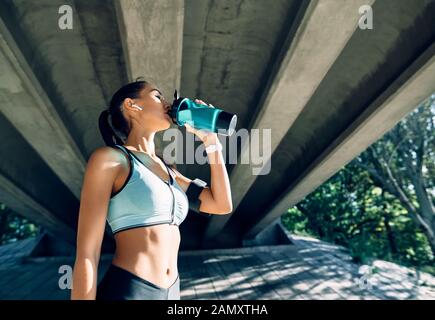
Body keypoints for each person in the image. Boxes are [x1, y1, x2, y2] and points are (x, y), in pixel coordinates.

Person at [71, 78, 233, 300]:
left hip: (172, 292)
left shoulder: (170, 171)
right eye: (158, 96)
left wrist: (211, 142)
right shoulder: (110, 160)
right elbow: (87, 253)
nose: (167, 103)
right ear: (131, 105)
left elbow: (221, 204)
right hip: (130, 290)